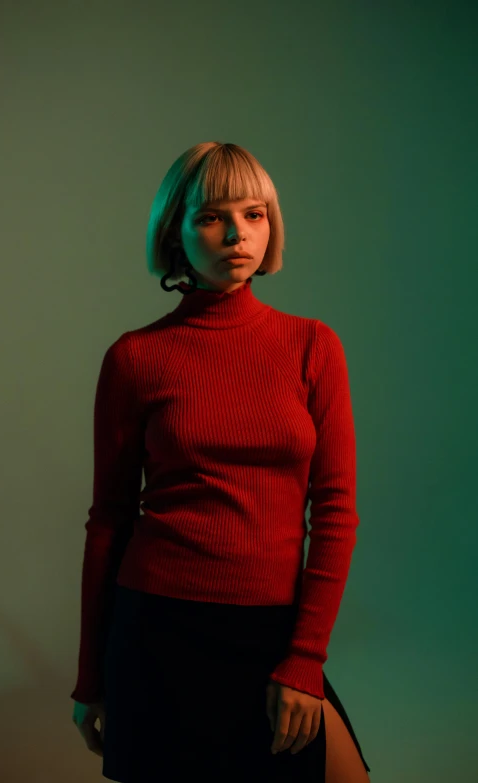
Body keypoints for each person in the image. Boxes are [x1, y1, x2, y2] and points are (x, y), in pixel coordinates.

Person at [70, 141, 372, 783]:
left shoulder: (312, 347)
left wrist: (304, 659)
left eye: (254, 214)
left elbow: (337, 514)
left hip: (272, 631)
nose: (238, 233)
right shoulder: (134, 358)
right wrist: (90, 679)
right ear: (176, 231)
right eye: (212, 216)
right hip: (156, 629)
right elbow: (109, 522)